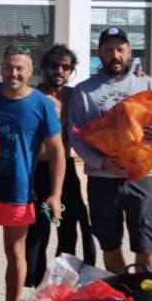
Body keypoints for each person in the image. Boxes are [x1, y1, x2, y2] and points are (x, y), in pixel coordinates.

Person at [66, 27, 152, 274]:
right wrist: (102, 162)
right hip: (103, 180)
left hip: (141, 179)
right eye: (108, 50)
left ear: (129, 51)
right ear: (99, 54)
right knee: (110, 244)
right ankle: (124, 296)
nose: (115, 55)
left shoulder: (147, 84)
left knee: (146, 244)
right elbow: (76, 136)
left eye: (120, 49)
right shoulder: (84, 91)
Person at [0, 44, 65, 301]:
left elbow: (58, 151)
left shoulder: (41, 104)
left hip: (18, 188)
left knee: (15, 253)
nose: (12, 73)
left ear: (30, 71)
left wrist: (56, 194)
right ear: (0, 68)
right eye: (7, 67)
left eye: (19, 68)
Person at [24, 43, 96, 274]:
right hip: (36, 170)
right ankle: (33, 284)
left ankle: (61, 280)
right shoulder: (31, 96)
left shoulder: (75, 96)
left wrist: (136, 73)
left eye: (66, 67)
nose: (60, 71)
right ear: (44, 67)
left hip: (66, 168)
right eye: (55, 66)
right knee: (37, 231)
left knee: (70, 226)